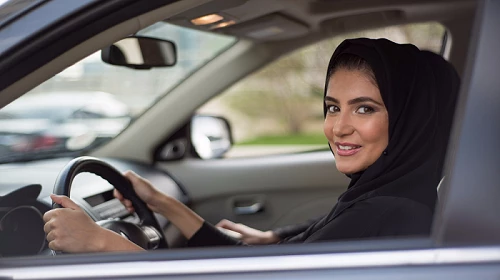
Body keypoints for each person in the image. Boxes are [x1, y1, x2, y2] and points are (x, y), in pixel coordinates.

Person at [43, 38, 460, 252]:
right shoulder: (377, 196)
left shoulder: (389, 214)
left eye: (365, 109)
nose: (338, 128)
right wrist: (161, 201)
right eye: (332, 107)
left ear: (408, 120)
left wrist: (101, 242)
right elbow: (252, 268)